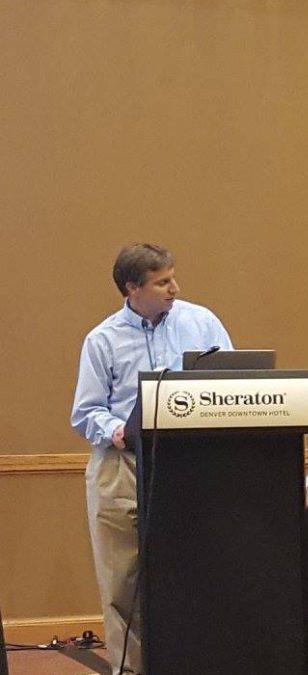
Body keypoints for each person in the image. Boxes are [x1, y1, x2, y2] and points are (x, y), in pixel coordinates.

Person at [71, 244, 232, 675]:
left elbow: (233, 382)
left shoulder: (202, 323)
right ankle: (131, 669)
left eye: (172, 277)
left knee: (194, 569)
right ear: (132, 288)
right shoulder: (102, 340)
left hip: (190, 465)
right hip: (121, 466)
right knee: (122, 580)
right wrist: (117, 430)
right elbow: (86, 412)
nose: (174, 288)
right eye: (162, 282)